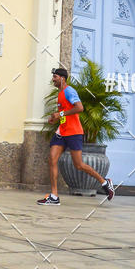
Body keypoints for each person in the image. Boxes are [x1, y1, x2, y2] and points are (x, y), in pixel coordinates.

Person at [37, 68, 114, 205]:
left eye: (55, 77)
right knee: (52, 159)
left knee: (79, 165)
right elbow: (65, 113)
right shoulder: (60, 93)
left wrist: (60, 115)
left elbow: (79, 108)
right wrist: (56, 118)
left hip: (74, 132)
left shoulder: (69, 91)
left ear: (62, 78)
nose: (53, 79)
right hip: (62, 131)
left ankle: (104, 182)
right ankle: (54, 196)